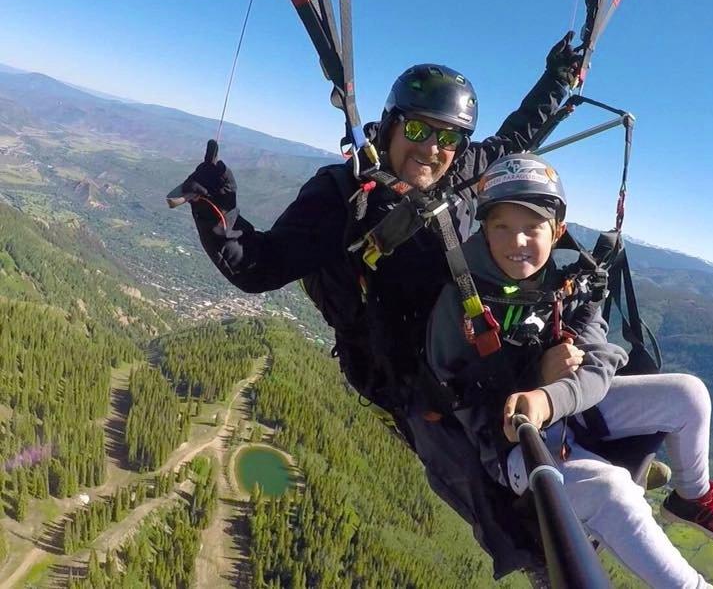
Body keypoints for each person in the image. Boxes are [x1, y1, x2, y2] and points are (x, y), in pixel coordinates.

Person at [177, 34, 581, 578]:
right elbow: (258, 266)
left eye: (448, 137)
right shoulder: (342, 197)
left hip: (467, 347)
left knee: (566, 372)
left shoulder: (461, 171)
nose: (432, 148)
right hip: (403, 375)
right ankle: (546, 564)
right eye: (418, 130)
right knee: (495, 498)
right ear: (391, 125)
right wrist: (216, 210)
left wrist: (558, 78)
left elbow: (516, 134)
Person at [427, 153, 713, 588]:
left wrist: (550, 395)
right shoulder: (461, 302)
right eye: (501, 226)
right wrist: (536, 381)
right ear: (484, 230)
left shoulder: (568, 287)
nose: (516, 240)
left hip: (566, 411)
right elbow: (455, 390)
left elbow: (600, 364)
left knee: (688, 395)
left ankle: (691, 498)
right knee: (612, 489)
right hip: (512, 447)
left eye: (532, 227)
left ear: (557, 231)